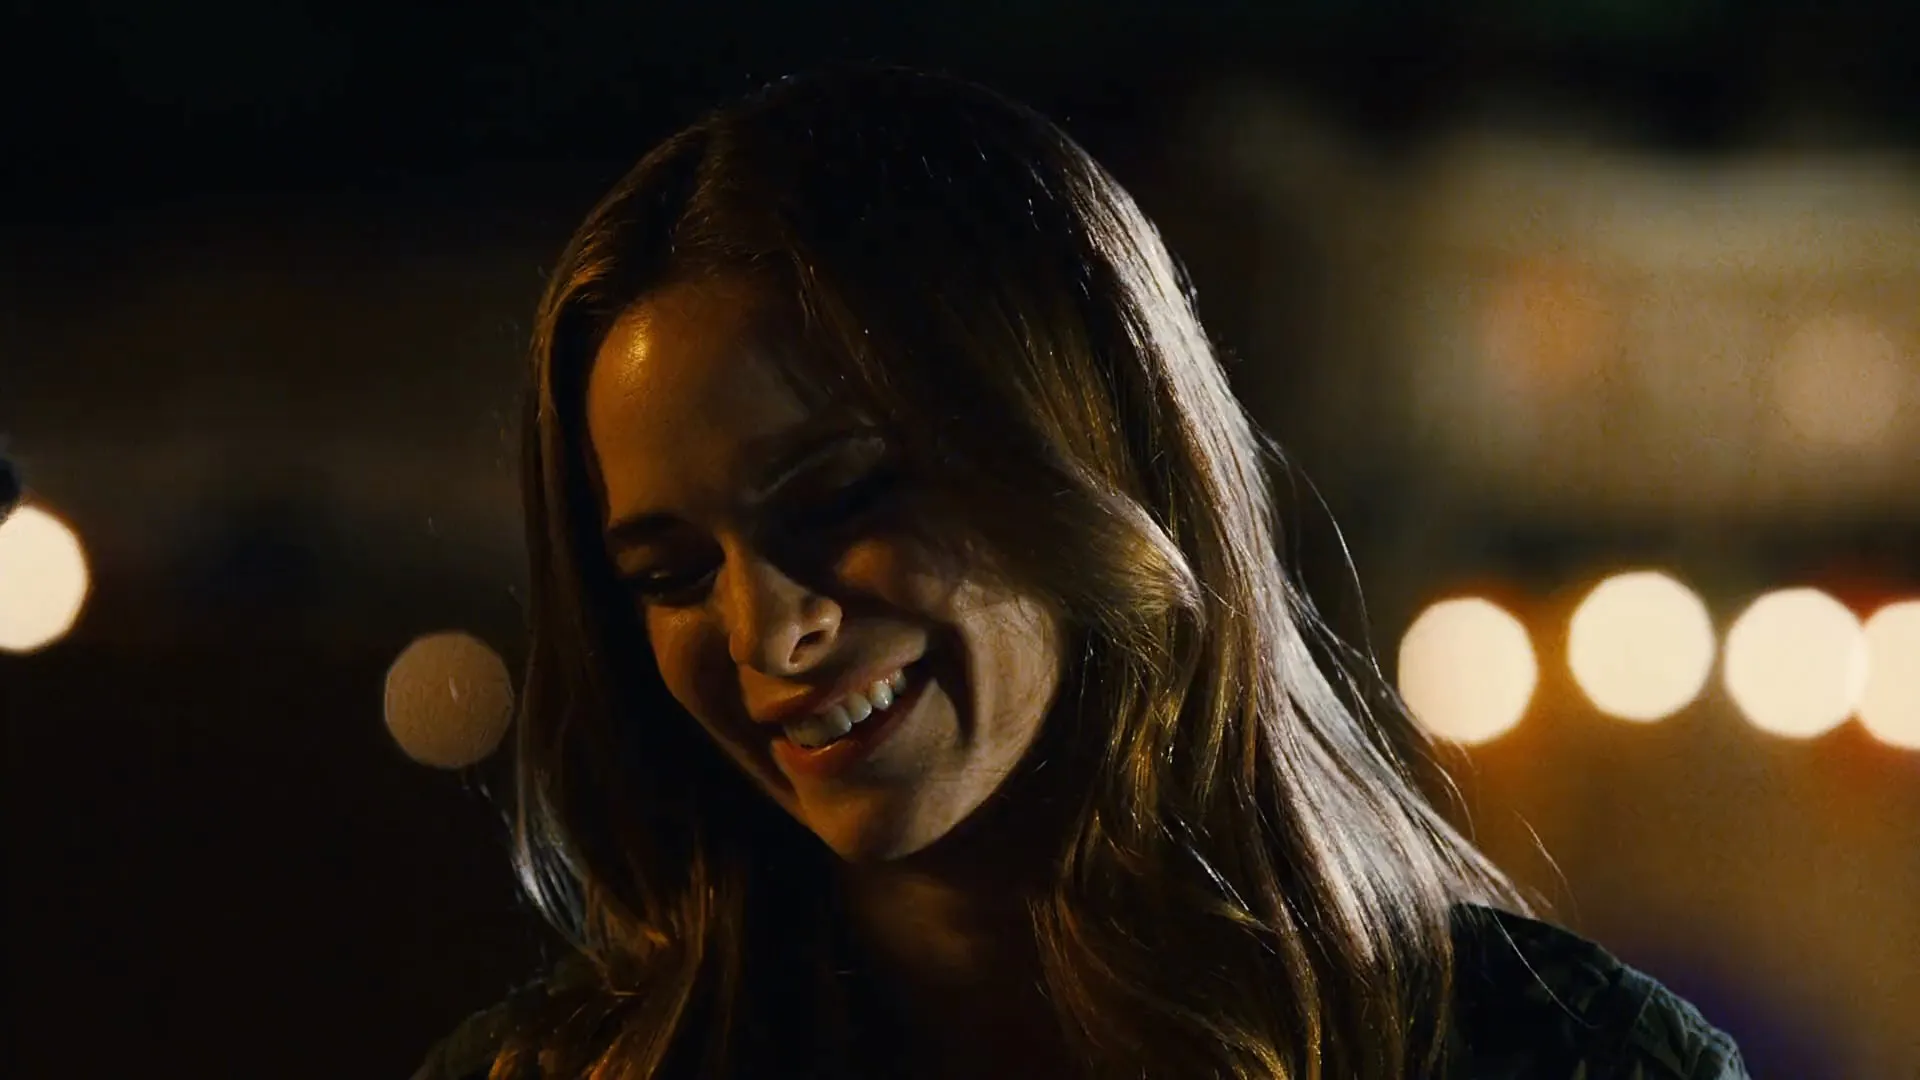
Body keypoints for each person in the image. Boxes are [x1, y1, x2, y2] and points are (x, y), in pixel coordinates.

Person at [416, 68, 1747, 1080]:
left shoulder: (1552, 1058)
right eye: (669, 572)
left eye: (838, 498)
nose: (768, 630)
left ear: (1089, 449)